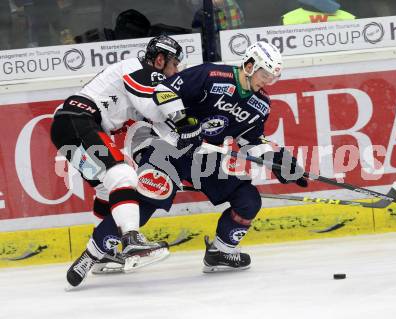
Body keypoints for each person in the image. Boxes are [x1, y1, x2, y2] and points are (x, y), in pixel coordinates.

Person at [130, 41, 308, 273]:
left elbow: (250, 141)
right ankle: (112, 247)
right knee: (147, 201)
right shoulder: (212, 74)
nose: (266, 81)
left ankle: (221, 251)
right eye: (264, 74)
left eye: (272, 78)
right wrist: (184, 124)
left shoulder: (261, 104)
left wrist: (280, 161)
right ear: (250, 65)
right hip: (173, 148)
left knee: (248, 200)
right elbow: (164, 90)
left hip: (205, 159)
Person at [50, 35, 184, 288]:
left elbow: (154, 118)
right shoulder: (138, 69)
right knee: (124, 175)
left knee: (106, 187)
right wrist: (182, 119)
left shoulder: (138, 76)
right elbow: (153, 110)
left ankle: (103, 254)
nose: (175, 71)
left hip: (68, 129)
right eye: (173, 64)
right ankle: (132, 241)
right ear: (159, 59)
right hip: (78, 122)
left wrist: (179, 130)